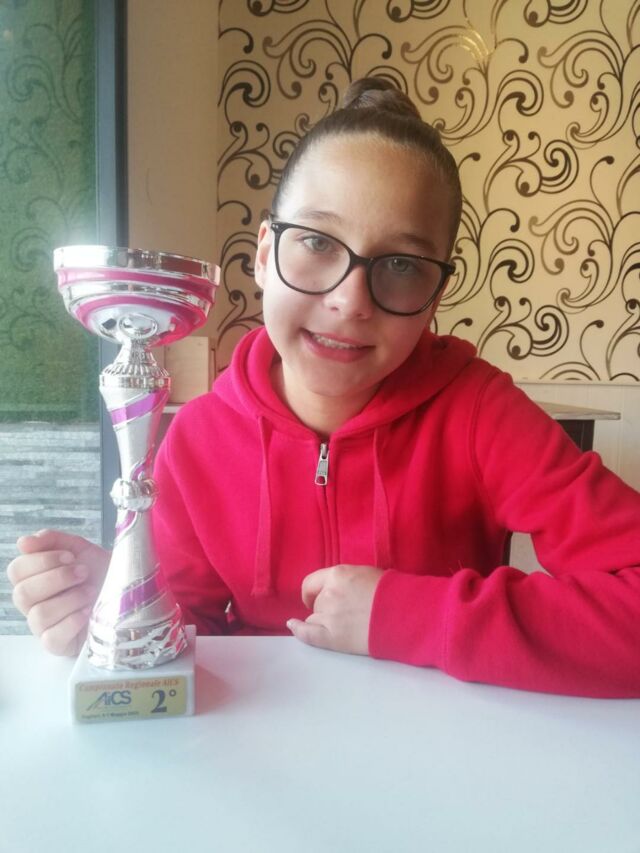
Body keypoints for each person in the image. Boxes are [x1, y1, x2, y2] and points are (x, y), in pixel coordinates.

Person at [7, 77, 640, 697]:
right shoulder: (198, 439)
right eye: (316, 242)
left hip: (439, 748)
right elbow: (192, 640)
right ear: (263, 254)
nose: (350, 301)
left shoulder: (479, 414)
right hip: (261, 750)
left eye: (401, 265)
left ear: (436, 294)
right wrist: (121, 612)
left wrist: (409, 615)